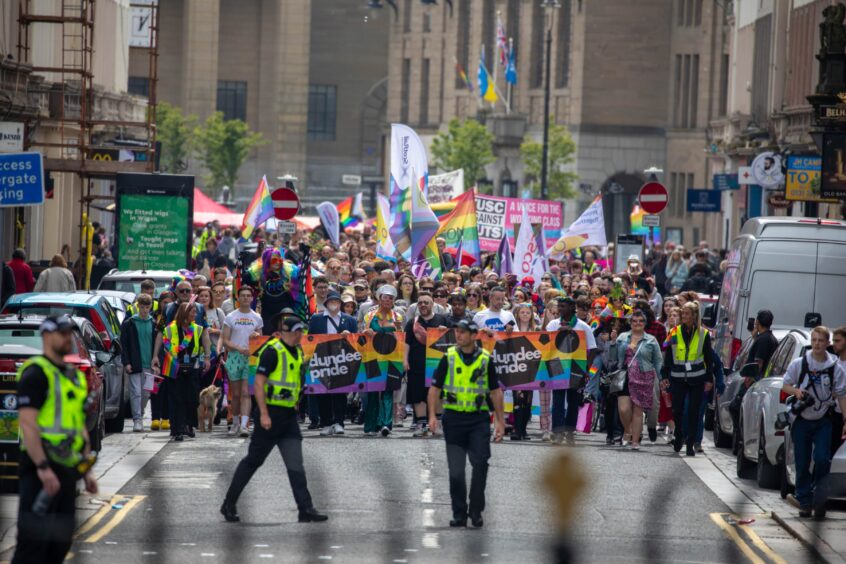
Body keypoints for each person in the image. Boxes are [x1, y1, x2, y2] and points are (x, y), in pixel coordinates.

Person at [220, 315, 328, 524]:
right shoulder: (272, 351)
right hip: (269, 415)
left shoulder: (297, 352)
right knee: (253, 461)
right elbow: (258, 384)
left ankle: (305, 509)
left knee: (296, 464)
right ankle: (229, 503)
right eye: (297, 331)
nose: (300, 335)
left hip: (288, 417)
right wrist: (264, 414)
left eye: (301, 332)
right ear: (287, 332)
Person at [15, 315, 98, 564]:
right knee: (32, 546)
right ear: (46, 336)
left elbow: (78, 425)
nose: (67, 338)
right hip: (41, 470)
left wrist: (86, 470)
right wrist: (42, 467)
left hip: (67, 471)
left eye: (69, 333)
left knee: (60, 544)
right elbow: (28, 424)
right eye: (61, 333)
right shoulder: (36, 373)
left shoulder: (72, 375)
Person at [428, 320, 505, 528]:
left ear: (474, 335)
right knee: (456, 470)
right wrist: (432, 416)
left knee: (480, 464)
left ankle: (476, 510)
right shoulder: (449, 357)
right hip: (453, 419)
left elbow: (495, 392)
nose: (458, 335)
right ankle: (459, 513)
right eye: (457, 332)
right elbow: (434, 388)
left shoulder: (485, 360)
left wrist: (500, 421)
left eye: (462, 332)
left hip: (478, 420)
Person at [781, 326, 846, 520]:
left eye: (821, 341)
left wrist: (845, 419)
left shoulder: (835, 368)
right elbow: (786, 384)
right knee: (802, 462)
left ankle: (819, 499)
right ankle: (805, 502)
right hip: (802, 421)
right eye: (814, 340)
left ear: (827, 343)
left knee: (822, 458)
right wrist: (797, 392)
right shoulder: (799, 364)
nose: (817, 344)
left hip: (824, 420)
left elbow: (842, 396)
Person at [152, 301, 211, 441]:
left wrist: (207, 357)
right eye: (192, 312)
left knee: (191, 398)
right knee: (176, 399)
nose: (195, 315)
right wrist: (155, 356)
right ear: (185, 313)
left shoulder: (197, 328)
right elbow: (160, 337)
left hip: (193, 365)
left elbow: (205, 338)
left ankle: (188, 425)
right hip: (173, 366)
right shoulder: (170, 328)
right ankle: (177, 429)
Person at [661, 301, 714, 456]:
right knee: (677, 410)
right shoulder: (674, 332)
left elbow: (708, 358)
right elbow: (668, 355)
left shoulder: (703, 334)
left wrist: (709, 379)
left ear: (694, 316)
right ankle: (678, 435)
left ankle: (690, 443)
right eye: (682, 313)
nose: (683, 316)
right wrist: (665, 374)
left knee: (693, 411)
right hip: (677, 377)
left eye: (687, 314)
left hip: (697, 378)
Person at [547, 296, 597, 445]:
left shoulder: (582, 326)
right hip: (557, 365)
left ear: (572, 308)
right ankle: (557, 432)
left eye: (563, 306)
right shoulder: (553, 324)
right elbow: (545, 344)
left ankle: (569, 432)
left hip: (577, 366)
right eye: (559, 306)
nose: (560, 309)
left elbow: (592, 349)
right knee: (557, 400)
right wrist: (558, 333)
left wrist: (586, 370)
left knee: (573, 401)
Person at [308, 290, 357, 436]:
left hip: (342, 360)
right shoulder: (317, 319)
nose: (334, 304)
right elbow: (310, 339)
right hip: (322, 359)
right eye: (331, 301)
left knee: (340, 393)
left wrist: (350, 336)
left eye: (336, 301)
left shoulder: (350, 320)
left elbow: (356, 343)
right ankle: (326, 422)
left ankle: (339, 422)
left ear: (340, 304)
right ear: (326, 303)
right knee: (322, 392)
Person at [615, 310, 663, 449]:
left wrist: (661, 379)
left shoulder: (651, 340)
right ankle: (627, 430)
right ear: (630, 323)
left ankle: (635, 441)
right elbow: (613, 355)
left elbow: (658, 361)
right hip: (625, 375)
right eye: (634, 321)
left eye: (641, 321)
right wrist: (615, 343)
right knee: (623, 409)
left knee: (638, 411)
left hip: (644, 377)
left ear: (645, 323)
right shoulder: (622, 337)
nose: (637, 323)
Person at [404, 292, 449, 437]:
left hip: (438, 364)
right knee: (418, 394)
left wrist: (445, 331)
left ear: (433, 305)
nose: (423, 305)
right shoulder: (412, 322)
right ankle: (421, 425)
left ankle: (438, 424)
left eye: (426, 302)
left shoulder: (442, 319)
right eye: (420, 303)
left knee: (438, 393)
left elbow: (453, 339)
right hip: (416, 363)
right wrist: (405, 360)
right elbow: (406, 343)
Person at [362, 285, 404, 436]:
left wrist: (398, 329)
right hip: (373, 357)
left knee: (388, 391)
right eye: (385, 297)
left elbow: (402, 338)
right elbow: (363, 333)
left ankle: (386, 424)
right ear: (379, 299)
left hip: (392, 358)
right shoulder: (370, 315)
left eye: (391, 298)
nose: (388, 300)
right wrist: (367, 332)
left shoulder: (398, 317)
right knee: (373, 392)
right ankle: (371, 425)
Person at [223, 286, 264, 438]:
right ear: (238, 299)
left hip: (251, 357)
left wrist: (256, 337)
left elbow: (261, 340)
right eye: (243, 296)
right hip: (234, 357)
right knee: (236, 394)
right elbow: (226, 340)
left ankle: (244, 425)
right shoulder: (231, 317)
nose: (246, 298)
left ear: (252, 299)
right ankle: (234, 422)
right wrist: (239, 349)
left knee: (247, 393)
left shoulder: (257, 317)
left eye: (248, 295)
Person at [120, 293, 156, 432]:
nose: (145, 310)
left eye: (147, 307)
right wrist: (126, 362)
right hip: (135, 363)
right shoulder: (130, 323)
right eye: (142, 307)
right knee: (136, 392)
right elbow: (124, 344)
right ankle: (137, 420)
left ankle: (140, 413)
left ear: (150, 307)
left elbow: (158, 343)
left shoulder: (153, 323)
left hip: (149, 364)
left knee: (146, 393)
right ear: (137, 307)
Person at [511, 303, 539, 440]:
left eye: (528, 313)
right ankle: (516, 429)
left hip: (531, 368)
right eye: (522, 312)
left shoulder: (536, 329)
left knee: (527, 400)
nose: (525, 315)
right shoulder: (513, 329)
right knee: (517, 398)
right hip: (515, 367)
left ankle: (524, 429)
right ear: (517, 314)